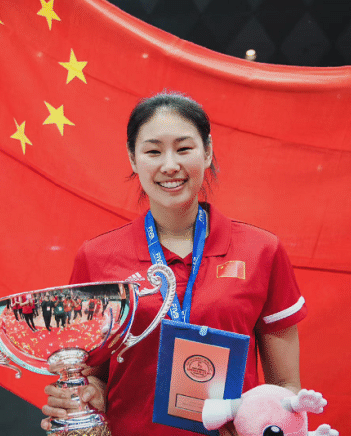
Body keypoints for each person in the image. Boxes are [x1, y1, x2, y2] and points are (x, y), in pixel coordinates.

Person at [41, 92, 307, 436]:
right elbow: (94, 376)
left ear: (207, 152)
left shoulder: (261, 251)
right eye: (153, 151)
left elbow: (285, 386)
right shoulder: (96, 257)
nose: (169, 165)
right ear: (133, 159)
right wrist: (84, 397)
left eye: (183, 149)